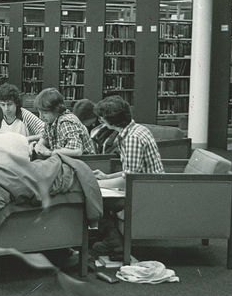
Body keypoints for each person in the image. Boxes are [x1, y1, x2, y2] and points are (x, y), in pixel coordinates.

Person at [91, 95, 164, 257]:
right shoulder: (137, 129)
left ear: (111, 120)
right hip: (149, 185)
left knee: (97, 200)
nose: (100, 120)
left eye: (102, 118)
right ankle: (111, 237)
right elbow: (131, 171)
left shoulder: (131, 138)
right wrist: (106, 177)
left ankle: (115, 243)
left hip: (146, 192)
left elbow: (130, 179)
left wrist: (97, 184)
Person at [32, 88, 95, 159]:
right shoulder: (50, 120)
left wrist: (49, 152)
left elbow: (76, 151)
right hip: (69, 162)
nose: (41, 117)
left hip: (85, 163)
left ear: (56, 109)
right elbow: (44, 139)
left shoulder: (66, 121)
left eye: (45, 113)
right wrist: (38, 146)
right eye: (39, 112)